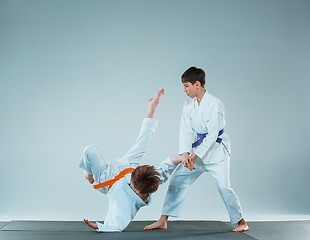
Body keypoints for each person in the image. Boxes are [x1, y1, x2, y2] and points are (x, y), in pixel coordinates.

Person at [144, 67, 249, 232]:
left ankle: (241, 222)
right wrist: (185, 154)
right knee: (177, 179)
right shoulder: (188, 105)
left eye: (186, 86)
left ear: (197, 84)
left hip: (217, 152)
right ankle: (163, 220)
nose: (184, 90)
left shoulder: (215, 104)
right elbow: (185, 130)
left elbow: (213, 135)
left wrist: (194, 155)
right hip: (198, 150)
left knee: (224, 187)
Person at [79, 89, 182, 232]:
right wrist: (182, 159)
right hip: (126, 167)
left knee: (89, 150)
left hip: (107, 180)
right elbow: (167, 165)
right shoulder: (151, 178)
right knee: (143, 142)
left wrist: (97, 225)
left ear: (138, 190)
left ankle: (89, 174)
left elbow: (116, 225)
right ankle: (151, 108)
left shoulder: (126, 203)